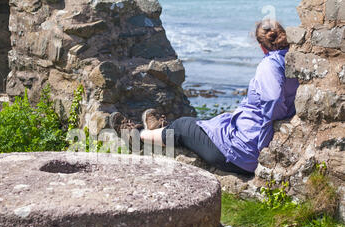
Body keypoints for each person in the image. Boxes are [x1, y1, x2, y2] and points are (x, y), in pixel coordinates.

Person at [109, 20, 299, 176]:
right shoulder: (293, 61)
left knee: (184, 126)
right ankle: (160, 129)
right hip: (244, 143)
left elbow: (273, 102)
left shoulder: (269, 65)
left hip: (238, 152)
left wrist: (273, 117)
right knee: (203, 124)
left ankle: (138, 135)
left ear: (262, 46)